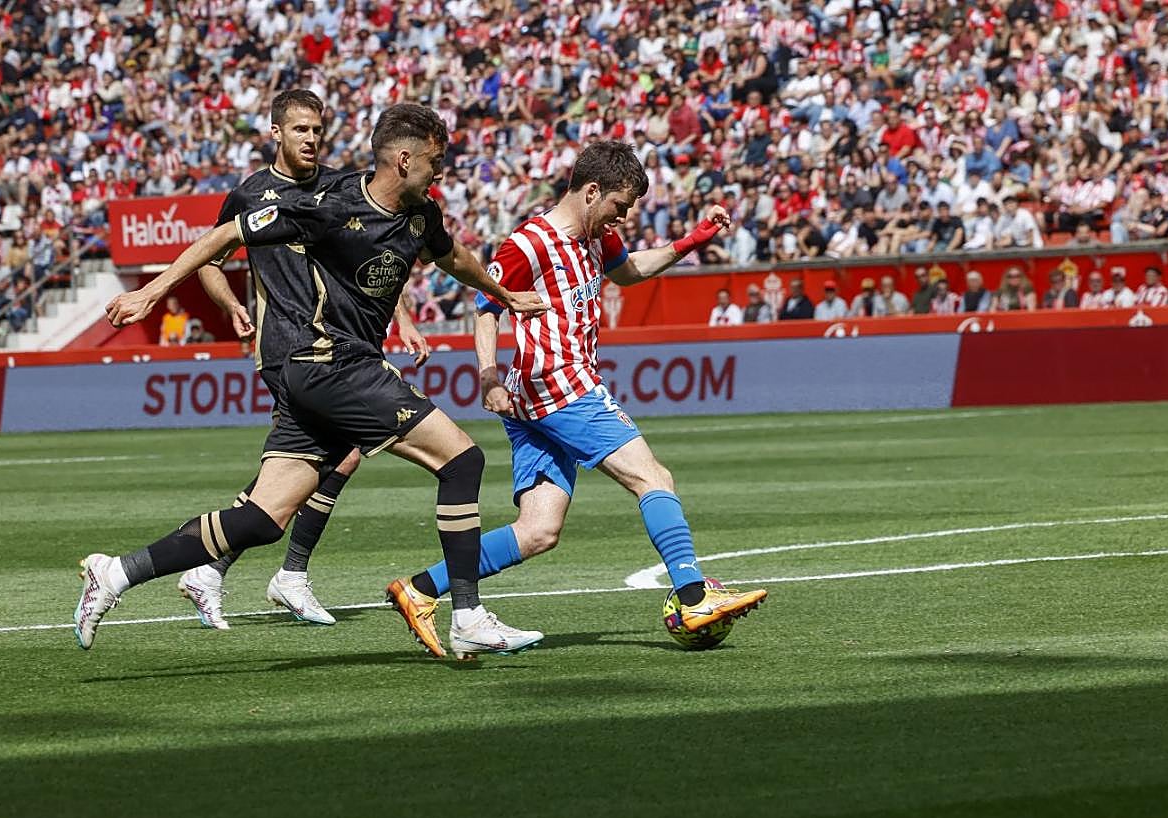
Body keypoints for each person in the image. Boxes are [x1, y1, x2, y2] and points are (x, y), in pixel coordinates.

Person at [76, 103, 549, 660]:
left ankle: (116, 573)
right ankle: (467, 614)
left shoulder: (422, 214)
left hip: (322, 374)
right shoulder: (328, 207)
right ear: (403, 158)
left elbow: (454, 258)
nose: (441, 171)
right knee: (462, 460)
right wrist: (150, 291)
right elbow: (224, 236)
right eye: (434, 161)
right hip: (332, 363)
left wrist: (505, 295)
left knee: (260, 519)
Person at [384, 140, 767, 658]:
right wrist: (488, 376)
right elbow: (485, 306)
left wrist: (693, 240)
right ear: (591, 191)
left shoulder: (596, 237)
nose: (623, 217)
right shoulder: (530, 245)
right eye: (619, 205)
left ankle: (421, 588)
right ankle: (695, 595)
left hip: (534, 396)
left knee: (539, 530)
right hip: (558, 384)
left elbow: (629, 270)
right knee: (652, 477)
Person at [173, 90, 432, 629]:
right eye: (301, 130)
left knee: (312, 463)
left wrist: (402, 316)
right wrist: (231, 308)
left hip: (335, 345)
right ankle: (281, 573)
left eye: (318, 129)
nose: (312, 139)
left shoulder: (341, 186)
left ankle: (220, 569)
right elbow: (210, 258)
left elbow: (373, 260)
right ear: (276, 133)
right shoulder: (250, 194)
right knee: (336, 456)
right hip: (287, 348)